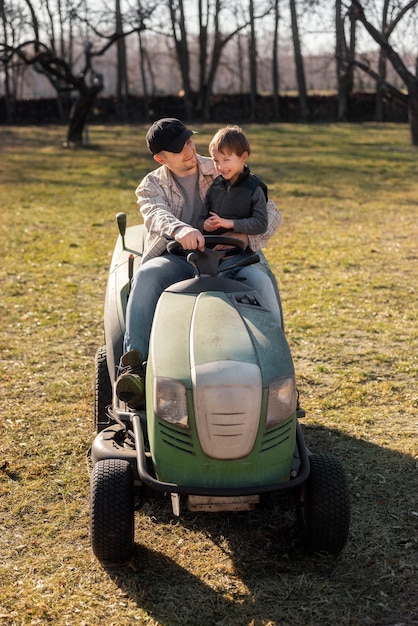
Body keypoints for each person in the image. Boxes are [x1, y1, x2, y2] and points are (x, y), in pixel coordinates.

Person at [115, 118, 282, 408]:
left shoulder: (219, 166)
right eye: (180, 149)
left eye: (190, 142)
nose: (190, 151)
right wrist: (181, 229)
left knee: (262, 283)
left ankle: (278, 372)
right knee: (146, 278)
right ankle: (135, 369)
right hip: (180, 258)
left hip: (232, 257)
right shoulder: (151, 185)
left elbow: (272, 215)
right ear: (160, 158)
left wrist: (239, 233)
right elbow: (155, 214)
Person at [199, 124, 268, 238]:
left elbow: (261, 224)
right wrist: (205, 225)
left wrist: (230, 223)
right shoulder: (215, 185)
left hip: (238, 247)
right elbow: (201, 218)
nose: (220, 167)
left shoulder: (254, 188)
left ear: (243, 157)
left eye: (226, 160)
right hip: (210, 243)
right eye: (216, 160)